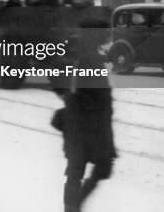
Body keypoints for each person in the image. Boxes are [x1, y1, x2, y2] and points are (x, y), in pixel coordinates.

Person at [51, 21, 116, 212]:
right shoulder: (90, 58)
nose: (108, 38)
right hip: (88, 128)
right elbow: (100, 102)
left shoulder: (80, 53)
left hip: (78, 127)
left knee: (76, 173)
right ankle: (73, 208)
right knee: (90, 170)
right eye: (105, 34)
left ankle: (72, 208)